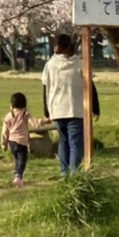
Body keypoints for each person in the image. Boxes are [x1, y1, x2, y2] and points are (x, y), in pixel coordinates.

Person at [41, 32, 85, 177]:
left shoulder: (50, 65)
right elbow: (90, 86)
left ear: (58, 47)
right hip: (75, 108)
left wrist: (46, 111)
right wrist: (95, 107)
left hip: (56, 108)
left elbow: (45, 88)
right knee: (75, 142)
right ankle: (74, 173)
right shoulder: (79, 63)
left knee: (63, 141)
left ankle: (64, 172)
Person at [0, 91, 38, 188]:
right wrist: (43, 122)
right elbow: (34, 124)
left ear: (12, 105)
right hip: (22, 142)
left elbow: (5, 131)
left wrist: (3, 143)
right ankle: (18, 176)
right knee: (22, 160)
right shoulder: (25, 114)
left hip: (12, 142)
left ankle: (17, 177)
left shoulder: (8, 116)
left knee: (17, 159)